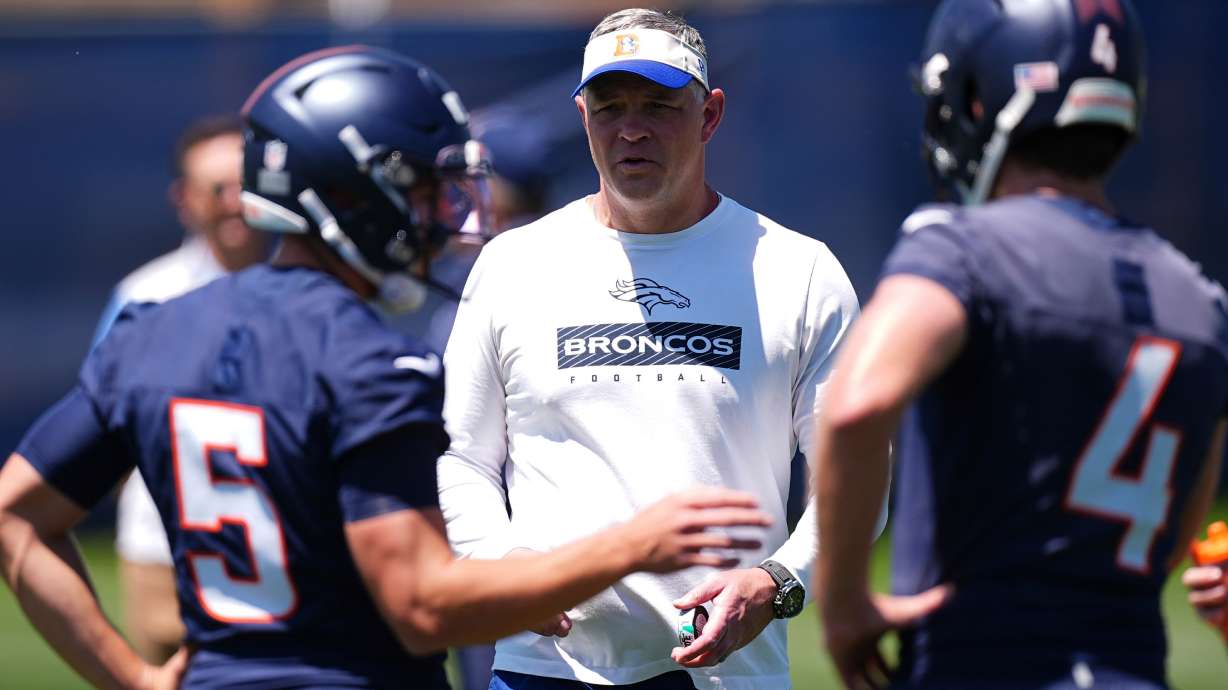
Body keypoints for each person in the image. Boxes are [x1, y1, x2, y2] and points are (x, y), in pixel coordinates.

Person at [0, 46, 772, 690]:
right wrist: (631, 545)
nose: (445, 212)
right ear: (348, 190)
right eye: (423, 188)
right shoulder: (368, 363)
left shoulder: (151, 332)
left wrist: (130, 678)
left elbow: (16, 517)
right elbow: (423, 606)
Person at [437, 9, 859, 689]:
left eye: (660, 105)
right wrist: (505, 565)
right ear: (583, 115)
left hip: (730, 675)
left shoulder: (799, 271)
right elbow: (460, 456)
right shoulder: (513, 265)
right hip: (541, 670)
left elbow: (860, 478)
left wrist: (777, 580)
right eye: (610, 106)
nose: (632, 128)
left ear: (710, 115)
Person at [813, 1, 1228, 688]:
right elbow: (1178, 528)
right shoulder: (1201, 301)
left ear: (981, 99)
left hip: (979, 662)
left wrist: (844, 603)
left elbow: (858, 406)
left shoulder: (961, 247)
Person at [95, 114, 270, 664]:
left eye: (244, 186)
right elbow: (101, 424)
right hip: (164, 551)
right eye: (216, 188)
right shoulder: (146, 295)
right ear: (184, 199)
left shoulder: (313, 288)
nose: (233, 202)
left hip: (281, 550)